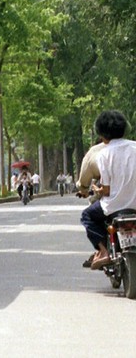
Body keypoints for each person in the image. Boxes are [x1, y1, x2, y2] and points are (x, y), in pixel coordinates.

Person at [79, 110, 136, 270]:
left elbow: (107, 189)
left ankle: (103, 251)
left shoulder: (103, 154)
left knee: (87, 216)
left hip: (114, 206)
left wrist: (96, 188)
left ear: (102, 135)